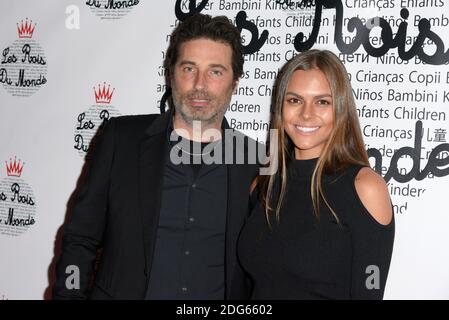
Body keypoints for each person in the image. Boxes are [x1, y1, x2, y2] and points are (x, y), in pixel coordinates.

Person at [53, 13, 260, 300]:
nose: (199, 84)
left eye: (215, 71)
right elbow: (80, 239)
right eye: (189, 68)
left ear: (234, 83)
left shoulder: (255, 160)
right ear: (171, 72)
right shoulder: (121, 140)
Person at [237, 49, 395, 299]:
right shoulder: (262, 184)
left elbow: (370, 286)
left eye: (322, 101)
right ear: (281, 107)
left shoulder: (364, 188)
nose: (306, 114)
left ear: (341, 109)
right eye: (294, 100)